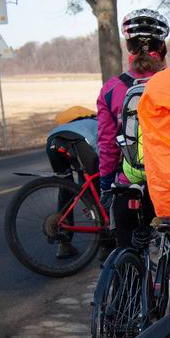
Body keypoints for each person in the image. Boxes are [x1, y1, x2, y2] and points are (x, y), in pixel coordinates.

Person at [96, 9, 168, 248]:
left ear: (129, 46)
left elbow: (107, 145)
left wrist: (106, 185)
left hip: (129, 181)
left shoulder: (111, 89)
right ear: (163, 47)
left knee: (127, 252)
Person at [45, 106, 99, 259]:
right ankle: (106, 246)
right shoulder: (96, 122)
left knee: (66, 189)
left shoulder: (64, 126)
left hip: (53, 143)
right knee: (97, 186)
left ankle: (64, 244)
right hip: (79, 142)